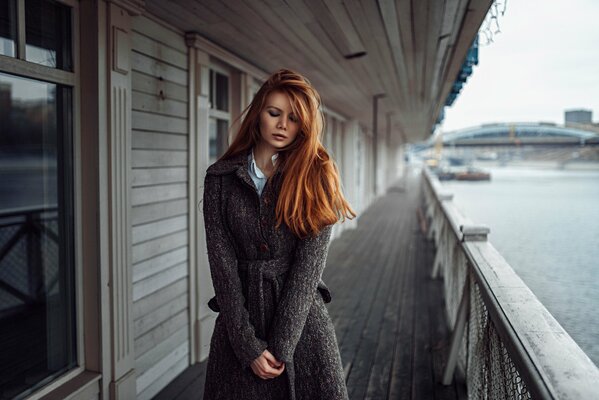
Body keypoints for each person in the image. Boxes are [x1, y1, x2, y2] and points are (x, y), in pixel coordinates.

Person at [202, 68, 356, 400]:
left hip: (303, 327)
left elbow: (307, 271)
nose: (283, 124)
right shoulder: (219, 179)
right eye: (274, 113)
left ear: (305, 125)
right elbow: (221, 265)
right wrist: (247, 346)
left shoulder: (317, 177)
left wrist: (281, 346)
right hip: (238, 328)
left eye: (294, 118)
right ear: (258, 114)